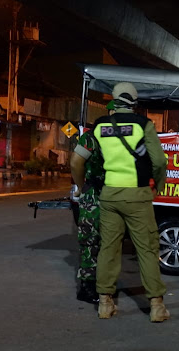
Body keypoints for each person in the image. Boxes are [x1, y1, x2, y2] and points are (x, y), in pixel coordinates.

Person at [92, 82, 169, 322]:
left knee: (108, 248)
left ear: (114, 99)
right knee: (146, 249)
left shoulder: (99, 125)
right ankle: (156, 306)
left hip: (109, 194)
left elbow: (95, 158)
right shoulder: (143, 124)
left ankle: (105, 304)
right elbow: (159, 162)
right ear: (134, 101)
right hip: (137, 194)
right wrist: (159, 185)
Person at [69, 101, 115, 305]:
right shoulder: (121, 136)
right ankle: (93, 287)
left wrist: (80, 187)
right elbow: (75, 162)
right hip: (109, 194)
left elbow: (76, 162)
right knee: (103, 242)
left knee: (91, 242)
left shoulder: (92, 135)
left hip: (93, 194)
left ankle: (92, 286)